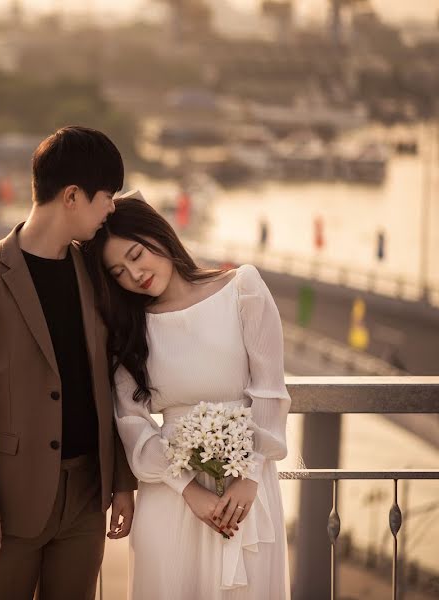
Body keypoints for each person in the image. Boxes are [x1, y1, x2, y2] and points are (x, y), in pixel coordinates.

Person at [0, 126, 138, 600]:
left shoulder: (97, 275)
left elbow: (114, 383)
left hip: (88, 497)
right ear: (72, 196)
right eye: (106, 197)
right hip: (9, 503)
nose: (112, 209)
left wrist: (123, 483)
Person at [82, 192, 291, 599]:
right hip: (171, 496)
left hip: (245, 492)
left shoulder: (242, 289)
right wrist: (188, 491)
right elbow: (132, 422)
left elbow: (269, 391)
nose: (134, 274)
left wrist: (249, 478)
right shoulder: (129, 328)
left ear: (157, 234)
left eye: (136, 254)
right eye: (119, 272)